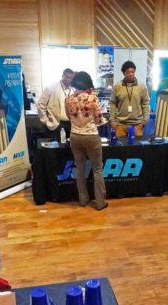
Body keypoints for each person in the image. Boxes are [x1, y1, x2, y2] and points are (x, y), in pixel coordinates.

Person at [65, 71, 108, 210]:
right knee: (97, 169)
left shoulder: (68, 99)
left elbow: (68, 116)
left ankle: (83, 199)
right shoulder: (92, 99)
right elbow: (99, 119)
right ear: (87, 83)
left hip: (74, 136)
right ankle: (100, 202)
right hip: (91, 136)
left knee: (80, 168)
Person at [110, 61, 150, 139]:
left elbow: (145, 103)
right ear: (124, 73)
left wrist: (145, 120)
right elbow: (113, 104)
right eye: (128, 72)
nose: (131, 74)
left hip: (137, 125)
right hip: (120, 125)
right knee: (120, 149)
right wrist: (112, 121)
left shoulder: (142, 87)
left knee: (136, 150)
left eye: (132, 72)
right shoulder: (117, 86)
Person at [37, 68, 74, 139]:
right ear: (63, 76)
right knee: (56, 149)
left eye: (71, 78)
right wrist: (46, 121)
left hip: (71, 125)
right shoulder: (50, 88)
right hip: (55, 124)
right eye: (68, 77)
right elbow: (41, 105)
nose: (69, 80)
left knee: (70, 148)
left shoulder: (73, 90)